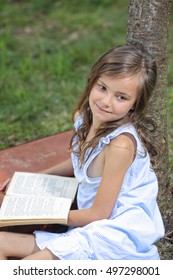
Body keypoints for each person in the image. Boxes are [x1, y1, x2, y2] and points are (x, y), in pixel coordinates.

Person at [0, 43, 165, 260]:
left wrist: (37, 212)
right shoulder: (85, 117)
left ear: (135, 104)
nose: (106, 102)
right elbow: (81, 160)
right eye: (102, 88)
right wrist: (35, 177)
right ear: (93, 81)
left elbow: (98, 215)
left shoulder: (120, 146)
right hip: (89, 229)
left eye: (121, 97)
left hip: (113, 237)